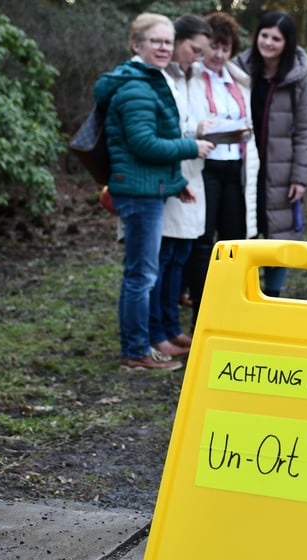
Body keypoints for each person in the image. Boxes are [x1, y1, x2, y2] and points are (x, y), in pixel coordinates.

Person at [95, 12, 215, 371]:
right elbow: (145, 145)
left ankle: (143, 345)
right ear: (137, 45)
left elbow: (147, 151)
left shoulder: (149, 80)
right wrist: (191, 147)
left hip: (150, 188)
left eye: (167, 41)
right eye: (155, 41)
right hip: (138, 194)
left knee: (143, 272)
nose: (163, 47)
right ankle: (135, 352)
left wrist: (178, 186)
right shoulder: (136, 86)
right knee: (141, 275)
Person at [184, 11, 260, 326]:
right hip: (204, 166)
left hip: (236, 168)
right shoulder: (189, 77)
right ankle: (202, 314)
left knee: (234, 240)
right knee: (202, 243)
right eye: (213, 46)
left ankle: (233, 312)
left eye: (225, 48)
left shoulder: (239, 80)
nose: (218, 55)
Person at [233, 11, 307, 298]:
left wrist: (300, 177)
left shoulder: (300, 78)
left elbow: (306, 131)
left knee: (278, 232)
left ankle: (272, 293)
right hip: (241, 164)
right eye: (264, 35)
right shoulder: (238, 69)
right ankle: (244, 292)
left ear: (287, 42)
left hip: (280, 167)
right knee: (243, 229)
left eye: (276, 38)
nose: (267, 42)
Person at [148, 14, 213, 360]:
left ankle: (171, 326)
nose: (197, 57)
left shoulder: (193, 77)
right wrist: (194, 137)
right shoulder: (159, 78)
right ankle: (155, 330)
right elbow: (163, 132)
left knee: (178, 255)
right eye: (194, 49)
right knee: (161, 257)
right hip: (166, 174)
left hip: (190, 171)